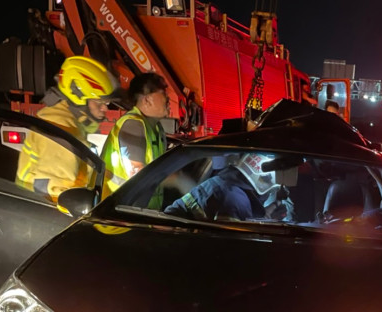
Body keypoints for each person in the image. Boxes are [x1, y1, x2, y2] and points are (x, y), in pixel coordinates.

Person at [16, 55, 118, 202]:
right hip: (46, 215)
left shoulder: (72, 122)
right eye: (100, 102)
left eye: (107, 103)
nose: (104, 109)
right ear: (78, 96)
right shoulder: (62, 127)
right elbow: (63, 196)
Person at [101, 73, 169, 207]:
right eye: (163, 94)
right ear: (147, 100)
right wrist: (179, 181)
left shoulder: (156, 128)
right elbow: (136, 173)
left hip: (143, 212)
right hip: (121, 213)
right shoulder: (133, 125)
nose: (167, 98)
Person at [164, 153, 294, 222]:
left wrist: (266, 214)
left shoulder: (226, 184)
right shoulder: (235, 200)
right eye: (271, 192)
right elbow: (233, 245)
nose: (267, 196)